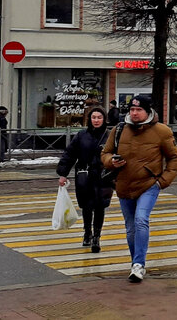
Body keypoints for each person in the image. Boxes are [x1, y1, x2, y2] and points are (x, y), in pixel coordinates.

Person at [101, 95, 177, 283]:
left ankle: (139, 264)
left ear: (148, 111)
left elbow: (174, 158)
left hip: (148, 184)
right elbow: (105, 153)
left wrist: (163, 181)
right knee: (130, 228)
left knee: (141, 220)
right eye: (132, 110)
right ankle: (134, 263)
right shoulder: (119, 129)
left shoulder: (162, 131)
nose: (134, 113)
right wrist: (110, 161)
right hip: (123, 184)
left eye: (138, 110)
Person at [57, 107, 114, 253]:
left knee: (100, 206)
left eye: (99, 117)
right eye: (93, 117)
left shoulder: (110, 136)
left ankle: (97, 237)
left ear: (104, 119)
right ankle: (87, 232)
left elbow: (118, 155)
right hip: (85, 176)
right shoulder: (82, 135)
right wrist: (63, 173)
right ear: (89, 119)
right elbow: (69, 154)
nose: (96, 120)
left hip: (103, 176)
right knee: (87, 206)